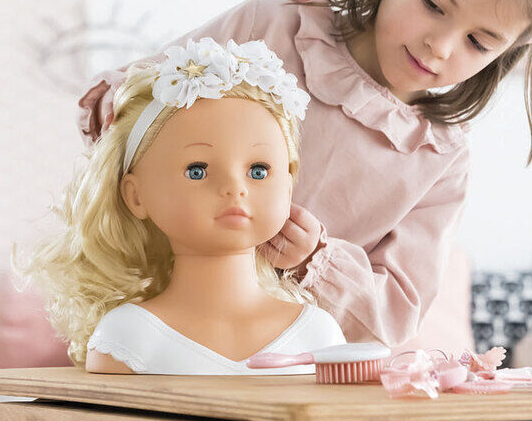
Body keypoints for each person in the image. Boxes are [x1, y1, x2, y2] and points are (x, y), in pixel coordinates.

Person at [78, 0, 532, 347]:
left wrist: (315, 261)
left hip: (284, 361)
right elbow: (142, 98)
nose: (441, 47)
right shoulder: (268, 29)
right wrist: (117, 108)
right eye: (433, 4)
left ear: (511, 49)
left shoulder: (438, 160)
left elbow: (395, 315)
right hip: (156, 319)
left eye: (478, 41)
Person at [23, 39, 346, 374]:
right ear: (136, 195)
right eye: (197, 171)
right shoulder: (128, 338)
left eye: (258, 171)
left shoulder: (318, 335)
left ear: (289, 184)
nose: (234, 188)